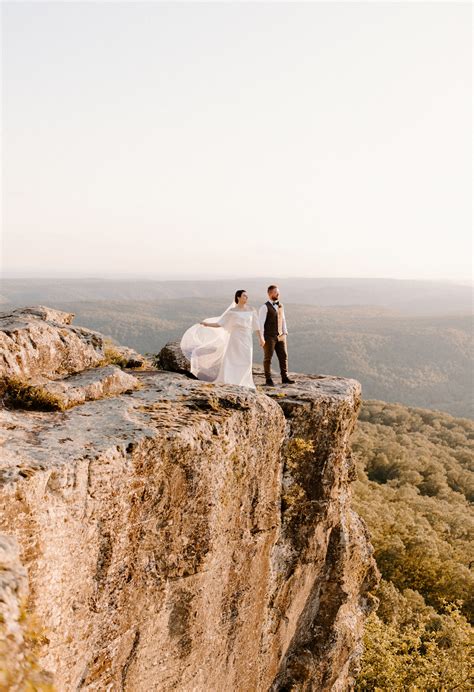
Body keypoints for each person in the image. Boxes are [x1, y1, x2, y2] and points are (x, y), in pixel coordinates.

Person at [180, 290, 265, 390]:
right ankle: (230, 380)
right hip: (235, 338)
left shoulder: (252, 310)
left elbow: (256, 326)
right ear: (238, 297)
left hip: (247, 338)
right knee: (232, 359)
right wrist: (207, 324)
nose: (246, 298)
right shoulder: (232, 311)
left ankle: (244, 381)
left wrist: (261, 338)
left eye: (247, 296)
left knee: (246, 360)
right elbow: (220, 323)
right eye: (244, 296)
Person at [258, 284, 295, 386]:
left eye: (278, 292)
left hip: (281, 336)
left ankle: (285, 377)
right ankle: (268, 379)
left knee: (284, 356)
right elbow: (260, 324)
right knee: (268, 358)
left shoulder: (280, 305)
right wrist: (261, 338)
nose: (278, 294)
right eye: (275, 292)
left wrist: (285, 332)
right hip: (269, 337)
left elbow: (283, 319)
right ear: (270, 294)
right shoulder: (264, 307)